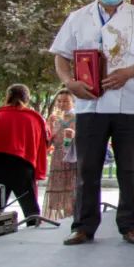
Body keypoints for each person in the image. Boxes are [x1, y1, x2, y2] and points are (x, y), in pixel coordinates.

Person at [50, 0, 134, 245]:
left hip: (130, 105)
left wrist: (128, 73)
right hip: (90, 105)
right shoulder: (78, 17)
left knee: (131, 168)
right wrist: (69, 82)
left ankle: (130, 225)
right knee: (87, 169)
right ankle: (83, 226)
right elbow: (61, 55)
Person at [0, 84, 48, 223]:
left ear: (7, 97)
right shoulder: (35, 119)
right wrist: (39, 171)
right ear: (27, 98)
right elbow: (41, 147)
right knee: (31, 211)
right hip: (23, 166)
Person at [43, 89, 78, 221]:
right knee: (58, 192)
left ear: (73, 102)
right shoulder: (55, 119)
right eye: (59, 101)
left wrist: (73, 136)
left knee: (71, 190)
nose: (62, 104)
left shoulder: (78, 117)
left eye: (66, 101)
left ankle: (72, 217)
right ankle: (62, 219)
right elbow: (47, 143)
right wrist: (49, 125)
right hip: (57, 158)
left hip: (73, 157)